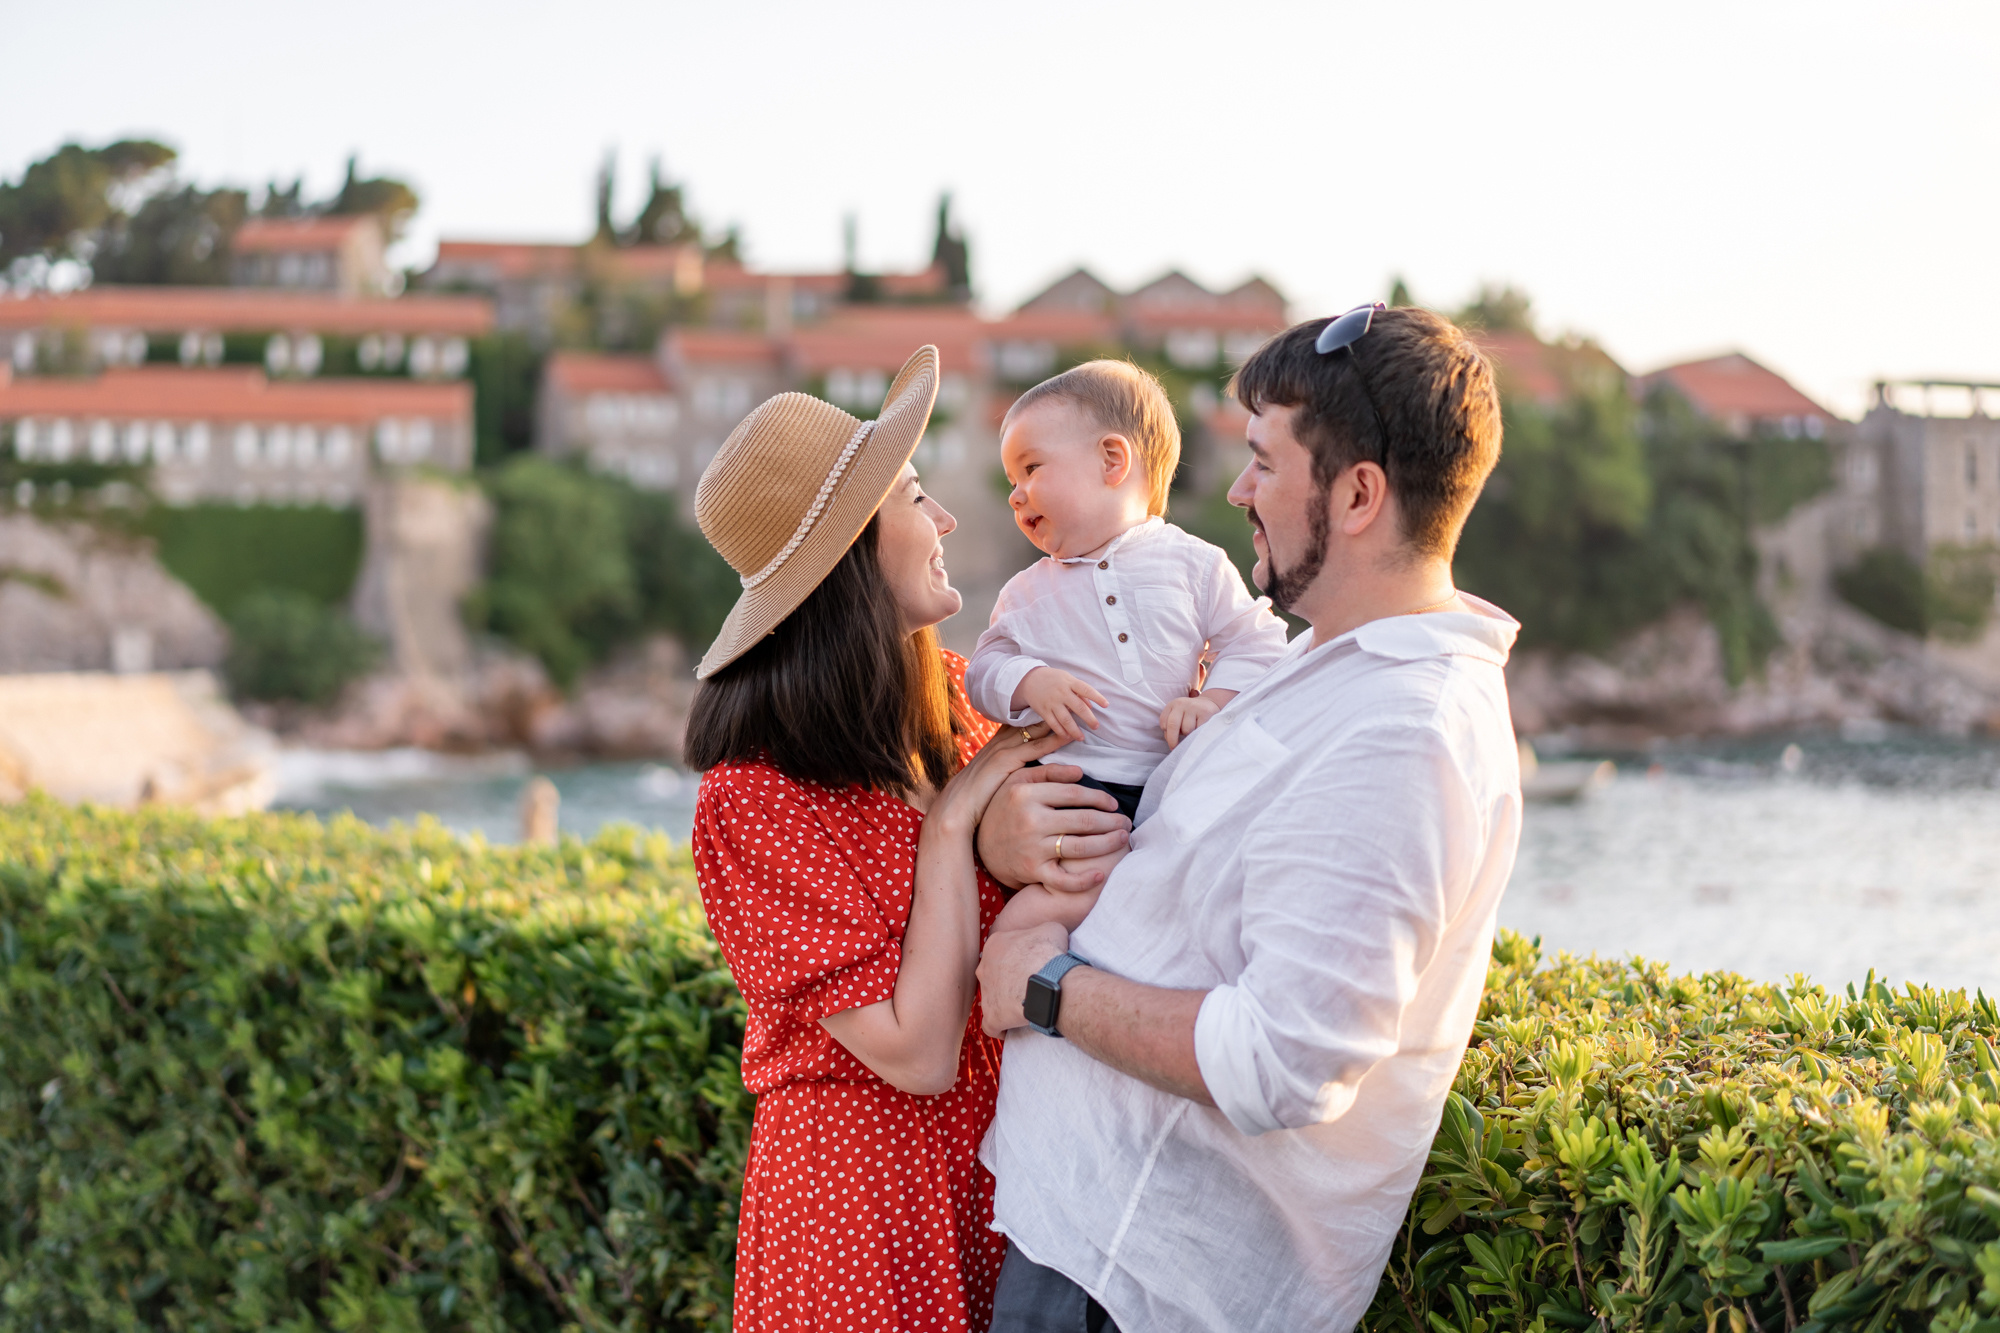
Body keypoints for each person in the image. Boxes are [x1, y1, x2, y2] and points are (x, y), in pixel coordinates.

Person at [973, 305, 1525, 1333]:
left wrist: (1043, 988)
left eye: (1265, 462)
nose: (1237, 491)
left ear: (1356, 494)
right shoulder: (1319, 665)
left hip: (1138, 1283)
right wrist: (1008, 831)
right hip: (1088, 1238)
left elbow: (1282, 1059)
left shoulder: (1406, 731)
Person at [683, 346, 1069, 1333]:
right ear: (852, 549)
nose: (944, 519)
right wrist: (952, 826)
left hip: (1007, 1183)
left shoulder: (968, 705)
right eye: (912, 496)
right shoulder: (754, 797)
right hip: (859, 1210)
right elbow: (918, 1052)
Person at [966, 360, 1288, 936]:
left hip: (1177, 780)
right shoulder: (1026, 592)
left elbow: (1257, 639)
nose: (1016, 495)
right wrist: (1029, 680)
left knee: (1193, 889)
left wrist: (1212, 702)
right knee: (1040, 911)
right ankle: (1026, 976)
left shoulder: (1193, 563)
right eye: (1012, 480)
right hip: (1074, 785)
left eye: (1031, 468)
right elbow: (984, 669)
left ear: (1112, 461)